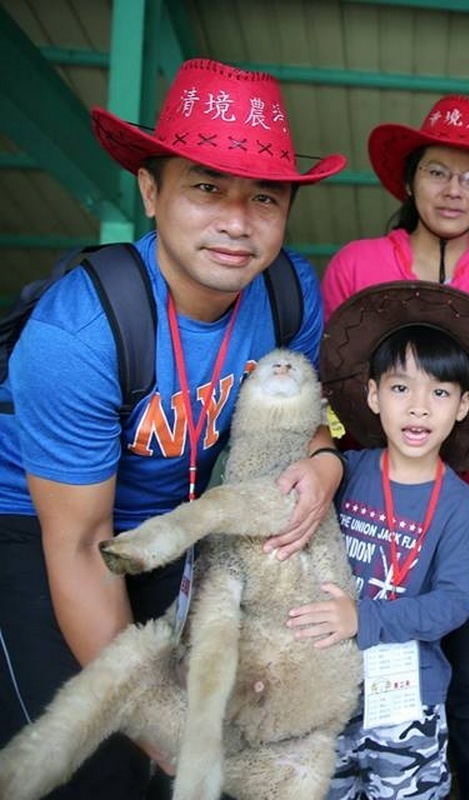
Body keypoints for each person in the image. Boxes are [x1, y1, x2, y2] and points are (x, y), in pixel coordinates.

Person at [0, 59, 346, 799]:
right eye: (205, 187)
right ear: (151, 191)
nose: (237, 220)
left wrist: (326, 464)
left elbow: (300, 422)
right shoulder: (80, 334)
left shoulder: (289, 292)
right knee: (101, 763)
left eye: (265, 196)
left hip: (176, 523)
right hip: (44, 528)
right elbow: (81, 546)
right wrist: (160, 724)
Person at [320, 95, 469, 798]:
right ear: (408, 181)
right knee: (345, 648)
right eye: (438, 171)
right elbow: (329, 386)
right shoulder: (357, 262)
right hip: (366, 505)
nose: (453, 189)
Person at [290, 282, 469, 800]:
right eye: (401, 389)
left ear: (463, 406)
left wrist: (363, 619)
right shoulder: (343, 474)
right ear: (373, 395)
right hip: (322, 689)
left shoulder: (460, 504)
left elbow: (455, 603)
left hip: (407, 701)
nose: (419, 408)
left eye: (439, 393)